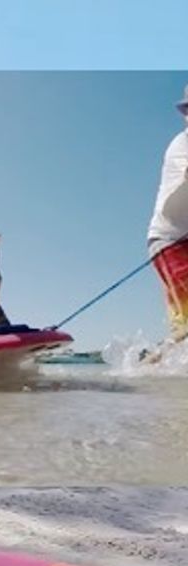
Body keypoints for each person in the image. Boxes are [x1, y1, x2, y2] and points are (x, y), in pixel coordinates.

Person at [144, 85, 188, 361]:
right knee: (185, 326)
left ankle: (150, 367)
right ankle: (148, 367)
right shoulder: (182, 144)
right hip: (170, 243)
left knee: (183, 327)